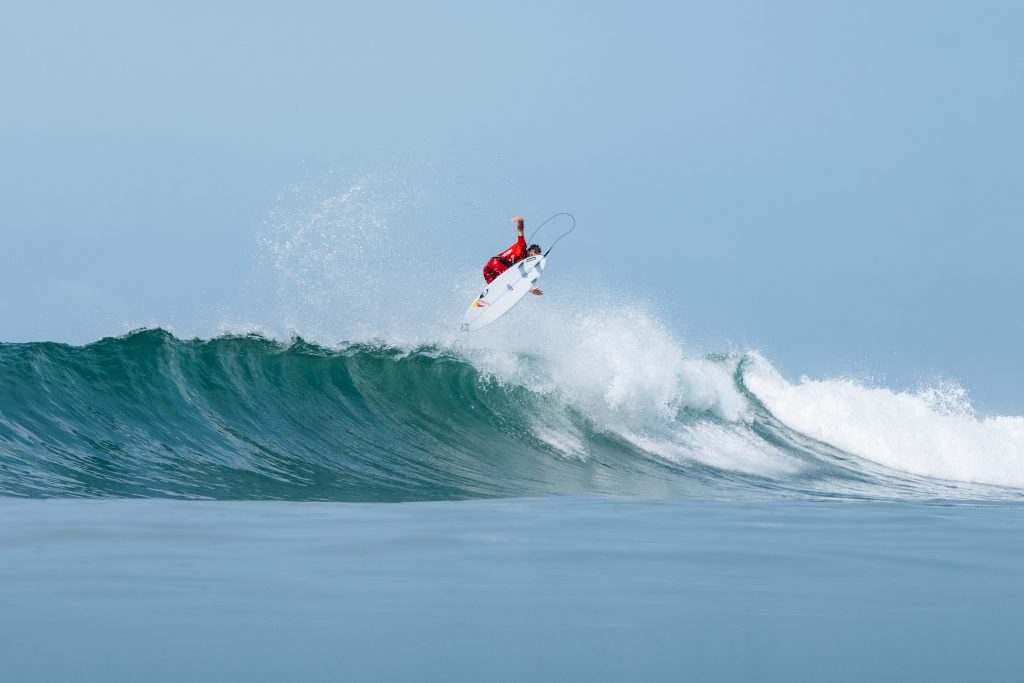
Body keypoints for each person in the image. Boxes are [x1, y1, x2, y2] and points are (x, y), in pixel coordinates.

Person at [482, 216, 543, 295]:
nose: (536, 259)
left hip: (488, 268)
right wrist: (521, 222)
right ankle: (531, 289)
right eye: (536, 255)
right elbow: (520, 231)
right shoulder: (522, 246)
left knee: (497, 290)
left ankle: (487, 301)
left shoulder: (523, 263)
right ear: (533, 250)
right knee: (512, 279)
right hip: (497, 264)